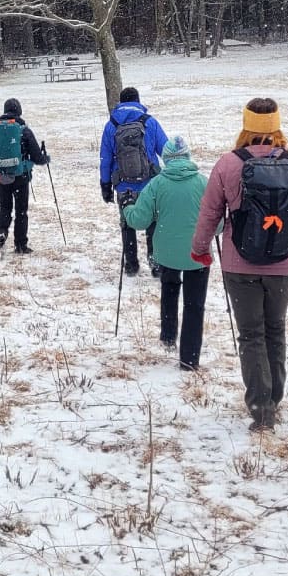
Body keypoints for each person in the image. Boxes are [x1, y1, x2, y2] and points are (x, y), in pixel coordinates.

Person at [191, 98, 288, 431]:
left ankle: (260, 405)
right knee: (275, 331)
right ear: (277, 126)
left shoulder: (227, 164)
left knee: (251, 335)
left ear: (246, 125)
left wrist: (200, 249)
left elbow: (209, 213)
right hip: (283, 265)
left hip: (239, 266)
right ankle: (274, 399)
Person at [123, 135, 210, 370]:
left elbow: (140, 220)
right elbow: (218, 220)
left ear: (167, 160)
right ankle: (189, 359)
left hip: (168, 253)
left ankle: (168, 335)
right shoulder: (203, 183)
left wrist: (127, 208)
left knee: (169, 289)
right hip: (198, 252)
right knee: (195, 305)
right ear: (188, 157)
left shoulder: (157, 184)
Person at [100, 86, 169, 277]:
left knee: (127, 223)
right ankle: (155, 263)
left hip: (123, 184)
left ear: (121, 102)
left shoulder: (111, 125)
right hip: (151, 184)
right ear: (138, 101)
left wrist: (105, 185)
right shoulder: (150, 122)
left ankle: (131, 264)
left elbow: (105, 158)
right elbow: (166, 149)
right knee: (154, 222)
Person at [0, 98, 49, 254]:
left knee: (5, 207)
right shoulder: (23, 129)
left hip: (1, 176)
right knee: (21, 210)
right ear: (19, 111)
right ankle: (20, 245)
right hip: (20, 177)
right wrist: (45, 158)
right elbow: (37, 157)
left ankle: (1, 232)